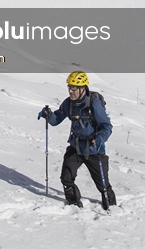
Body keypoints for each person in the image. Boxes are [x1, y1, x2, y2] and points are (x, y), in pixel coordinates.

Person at [38, 71, 117, 209]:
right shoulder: (69, 103)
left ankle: (111, 205)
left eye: (74, 88)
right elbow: (57, 118)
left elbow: (107, 126)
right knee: (66, 178)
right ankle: (74, 204)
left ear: (82, 88)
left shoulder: (94, 103)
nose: (71, 91)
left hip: (94, 149)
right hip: (76, 147)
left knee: (103, 185)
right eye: (69, 87)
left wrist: (99, 139)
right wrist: (48, 116)